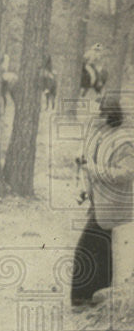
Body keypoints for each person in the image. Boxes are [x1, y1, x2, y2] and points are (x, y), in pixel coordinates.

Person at [72, 92, 134, 306]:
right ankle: (90, 300)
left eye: (100, 116)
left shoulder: (124, 142)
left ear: (110, 117)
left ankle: (85, 300)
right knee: (96, 251)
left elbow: (126, 173)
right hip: (100, 203)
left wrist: (94, 169)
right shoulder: (102, 137)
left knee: (87, 250)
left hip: (116, 206)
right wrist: (86, 191)